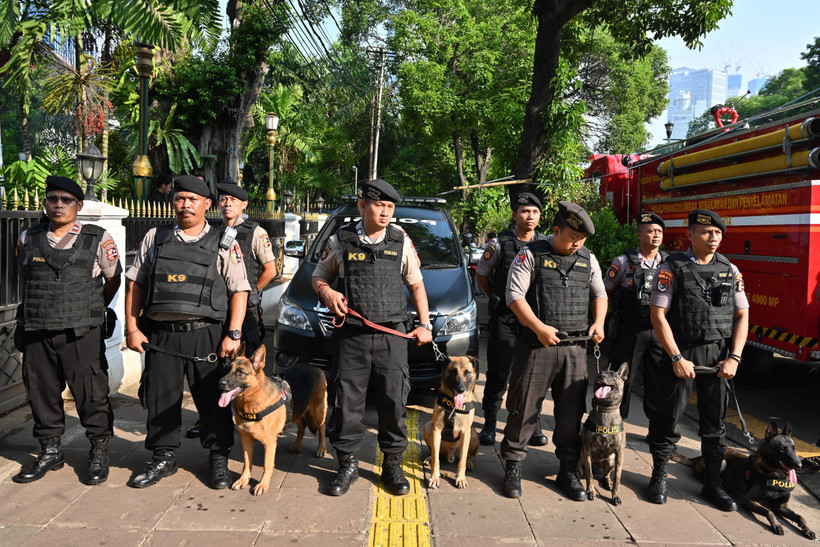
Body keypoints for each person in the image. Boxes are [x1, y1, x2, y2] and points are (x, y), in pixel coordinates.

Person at [124, 175, 250, 489]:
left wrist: (233, 334)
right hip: (162, 336)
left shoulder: (224, 241)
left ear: (207, 204)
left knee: (212, 399)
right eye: (180, 198)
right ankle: (162, 457)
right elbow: (136, 284)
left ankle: (219, 457)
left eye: (193, 200)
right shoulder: (155, 237)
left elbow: (239, 291)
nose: (185, 205)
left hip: (206, 334)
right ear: (173, 201)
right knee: (160, 397)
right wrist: (131, 328)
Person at [312, 179, 433, 496]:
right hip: (351, 336)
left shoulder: (400, 240)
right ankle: (347, 465)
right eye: (379, 205)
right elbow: (318, 276)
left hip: (392, 336)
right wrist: (327, 292)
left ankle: (392, 465)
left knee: (394, 404)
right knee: (346, 404)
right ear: (363, 206)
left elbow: (417, 285)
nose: (385, 212)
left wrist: (425, 325)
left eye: (390, 207)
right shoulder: (342, 239)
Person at [13, 176, 122, 485]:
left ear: (79, 205)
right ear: (45, 202)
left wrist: (94, 307)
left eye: (66, 200)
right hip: (37, 329)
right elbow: (25, 275)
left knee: (91, 393)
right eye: (52, 199)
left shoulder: (97, 238)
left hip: (80, 331)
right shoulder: (27, 238)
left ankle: (98, 449)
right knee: (41, 392)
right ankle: (50, 450)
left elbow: (113, 278)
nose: (58, 204)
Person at [500, 200, 606, 500]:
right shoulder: (530, 254)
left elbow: (599, 294)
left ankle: (567, 470)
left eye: (581, 240)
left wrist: (598, 322)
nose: (576, 245)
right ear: (555, 230)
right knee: (523, 408)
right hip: (537, 345)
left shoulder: (588, 259)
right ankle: (513, 467)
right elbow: (514, 296)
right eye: (572, 239)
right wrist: (539, 328)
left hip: (575, 349)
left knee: (572, 413)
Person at [646, 209, 748, 511]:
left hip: (717, 356)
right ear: (690, 235)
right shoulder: (671, 268)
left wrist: (735, 358)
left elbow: (742, 314)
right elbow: (657, 315)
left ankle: (713, 482)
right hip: (681, 353)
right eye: (706, 232)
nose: (713, 237)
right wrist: (676, 356)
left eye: (718, 233)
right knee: (668, 418)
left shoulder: (730, 269)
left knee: (714, 425)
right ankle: (659, 475)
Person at [475, 192, 549, 446]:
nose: (530, 216)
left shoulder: (546, 245)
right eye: (525, 211)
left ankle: (534, 424)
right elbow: (482, 275)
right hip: (506, 319)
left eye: (535, 212)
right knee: (498, 372)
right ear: (515, 215)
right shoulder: (499, 243)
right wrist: (496, 297)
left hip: (533, 320)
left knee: (532, 375)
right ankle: (489, 423)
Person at [604, 211, 667, 421]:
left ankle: (656, 429)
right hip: (630, 330)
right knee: (623, 377)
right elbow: (607, 293)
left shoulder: (669, 264)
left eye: (659, 231)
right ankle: (616, 420)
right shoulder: (623, 262)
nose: (656, 235)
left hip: (659, 332)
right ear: (640, 235)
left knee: (657, 380)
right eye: (650, 231)